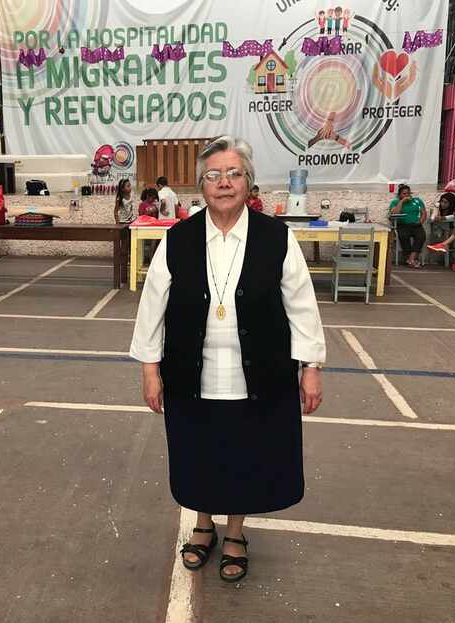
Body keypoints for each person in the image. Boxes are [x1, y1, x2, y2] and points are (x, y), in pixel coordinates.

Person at [130, 136, 325, 584]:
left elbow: (302, 305)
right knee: (198, 453)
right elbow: (152, 306)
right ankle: (203, 525)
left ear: (249, 183)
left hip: (259, 373)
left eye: (234, 174)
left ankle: (235, 531)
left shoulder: (277, 238)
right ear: (201, 185)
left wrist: (311, 367)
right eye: (213, 175)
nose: (224, 183)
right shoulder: (177, 239)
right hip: (190, 373)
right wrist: (149, 370)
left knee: (246, 455)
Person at [389, 184, 427, 269]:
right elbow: (394, 213)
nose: (407, 195)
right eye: (404, 194)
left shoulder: (417, 201)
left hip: (416, 224)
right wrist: (402, 202)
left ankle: (411, 259)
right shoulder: (395, 202)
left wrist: (420, 222)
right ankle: (411, 260)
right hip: (402, 224)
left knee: (421, 236)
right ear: (400, 195)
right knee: (404, 236)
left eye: (408, 193)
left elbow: (423, 213)